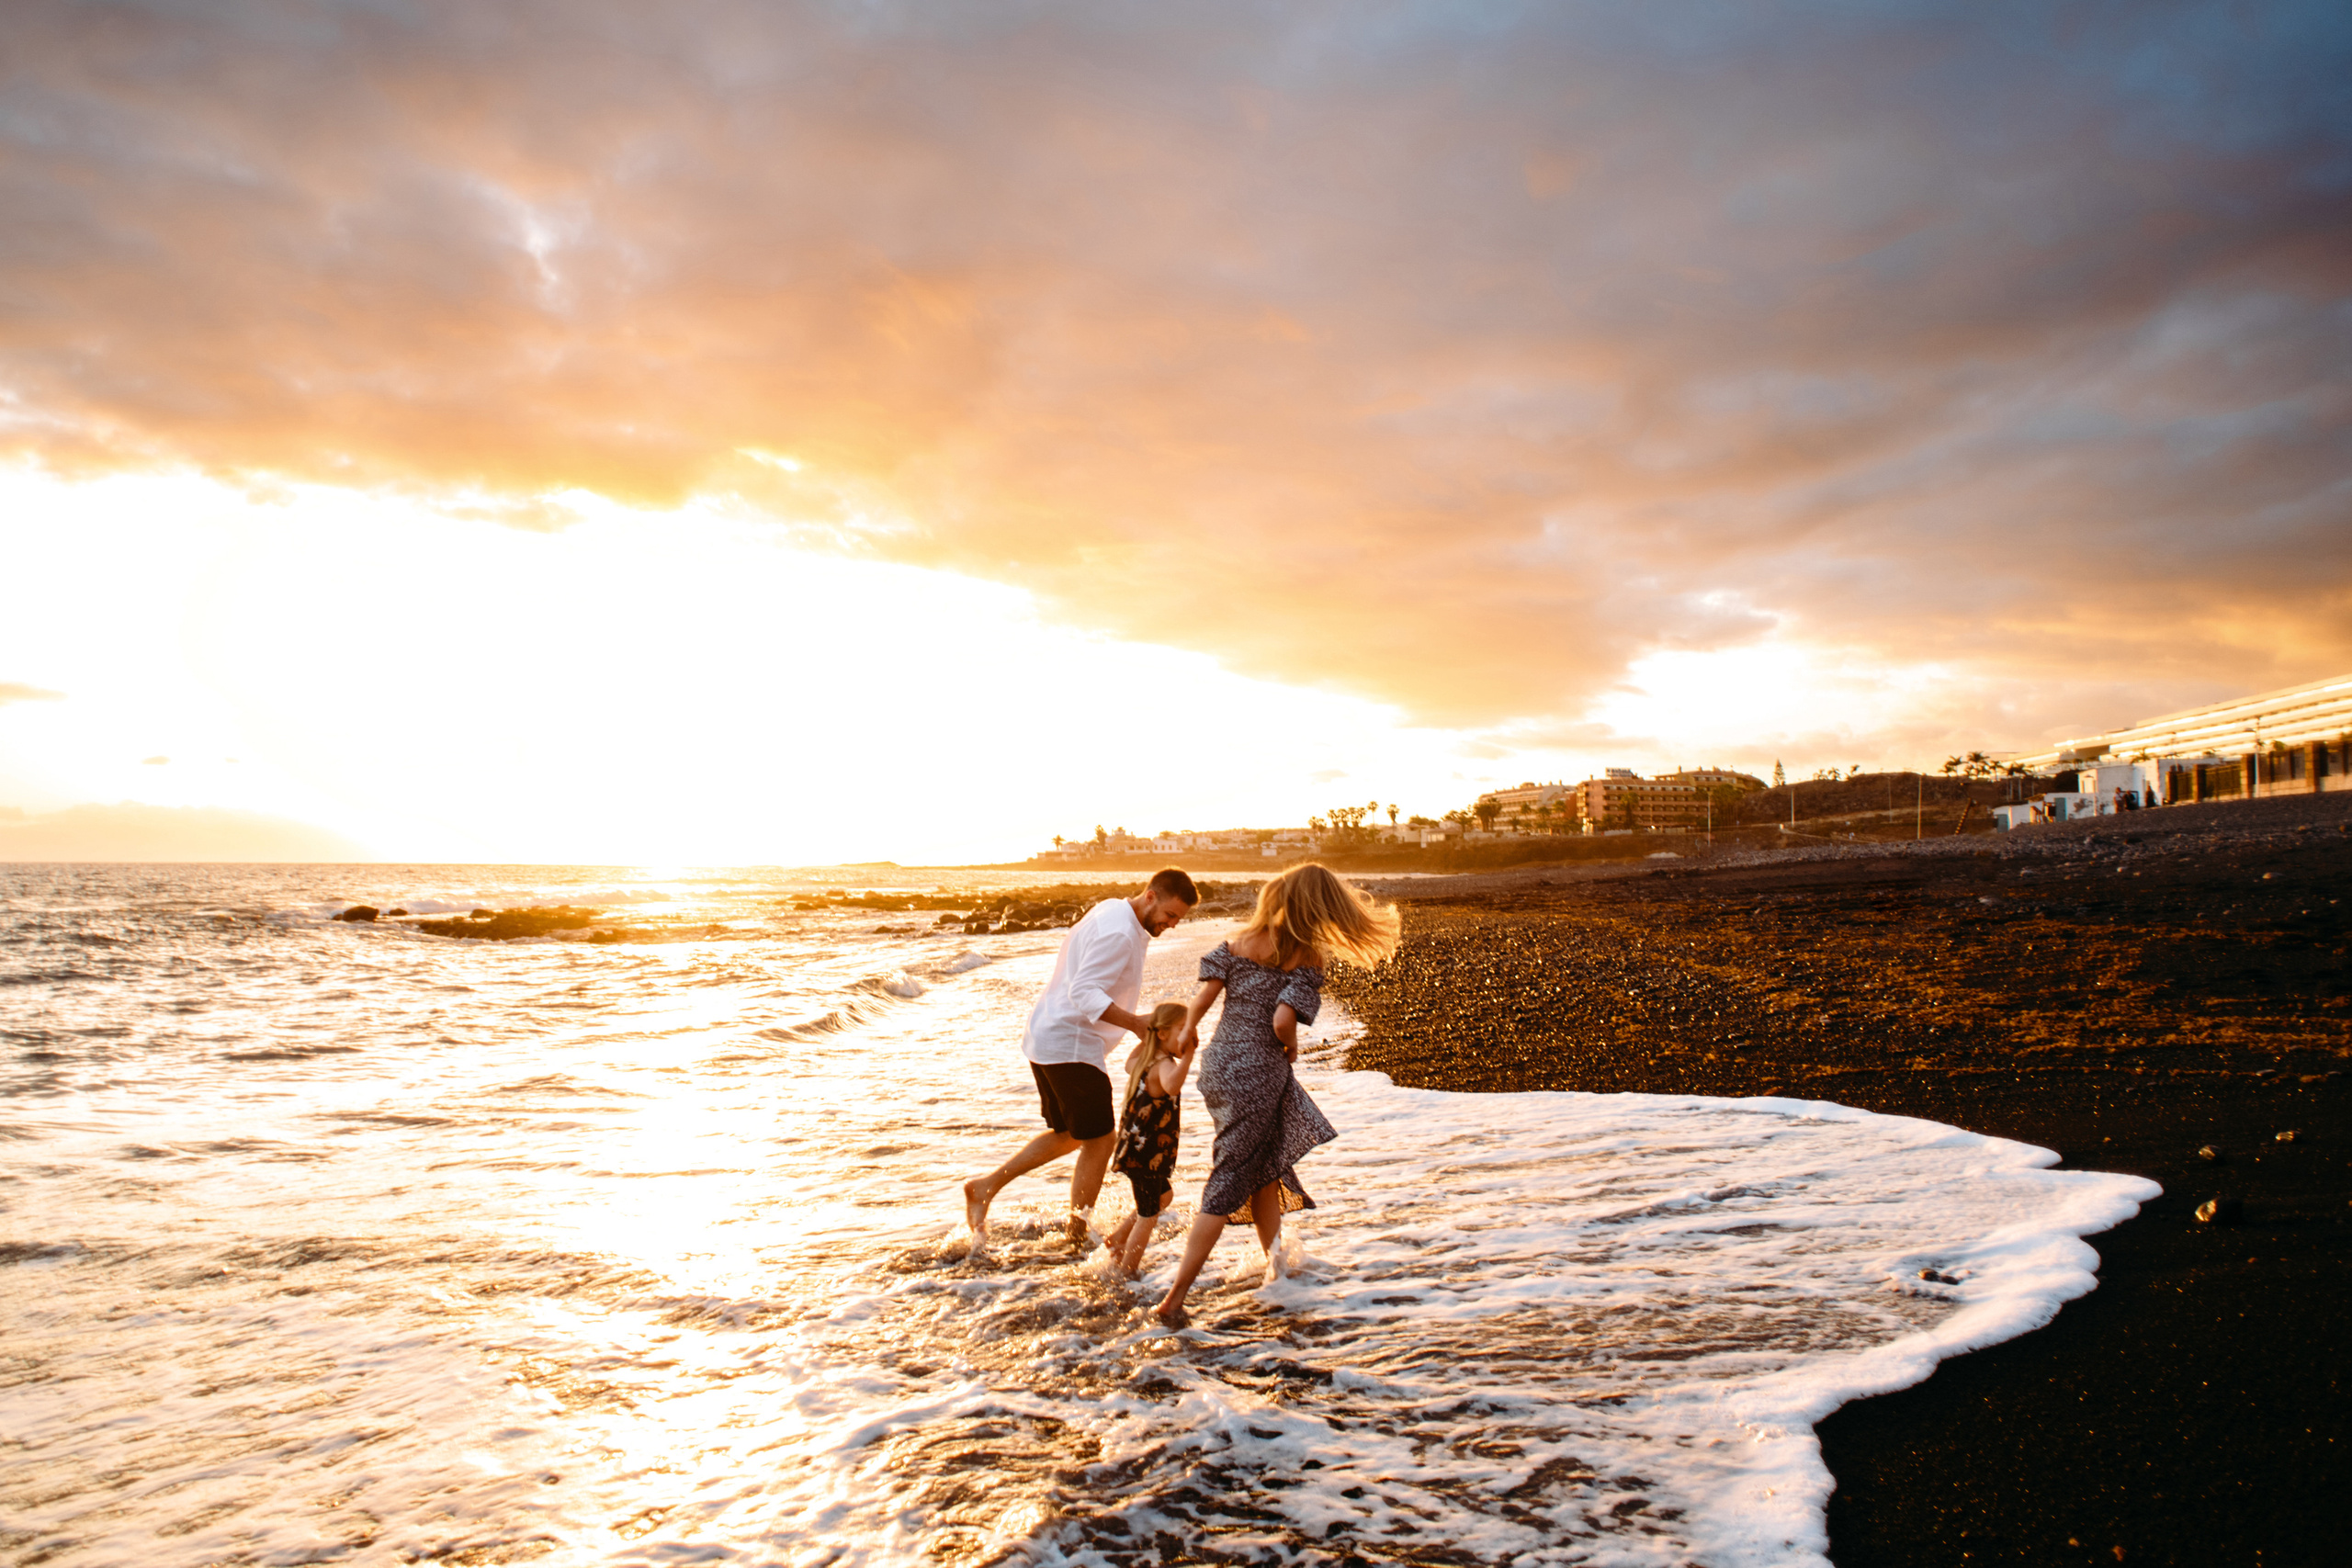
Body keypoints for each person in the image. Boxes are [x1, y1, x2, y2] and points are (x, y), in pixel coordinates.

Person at [1152, 863, 1400, 1329]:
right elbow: (1282, 1021)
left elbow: (1201, 1002)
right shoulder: (1305, 957)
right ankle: (1173, 1298)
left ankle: (1275, 1266)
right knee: (1228, 1179)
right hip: (1258, 1071)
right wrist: (1291, 1045)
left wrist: (1187, 1033)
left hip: (1219, 1066)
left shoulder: (1235, 945)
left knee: (1264, 1168)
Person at [963, 867, 1198, 1246]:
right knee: (1101, 1140)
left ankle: (985, 1187)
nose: (1171, 924)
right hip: (1070, 1042)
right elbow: (1085, 992)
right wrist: (1135, 1024)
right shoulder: (1121, 932)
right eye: (1170, 914)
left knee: (1072, 1134)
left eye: (1178, 919)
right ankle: (1077, 1234)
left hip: (1050, 1034)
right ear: (1151, 896)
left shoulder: (1113, 910)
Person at [1101, 1001, 1195, 1276]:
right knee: (1148, 1215)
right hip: (1145, 1154)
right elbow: (1172, 1085)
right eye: (1183, 1029)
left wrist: (1148, 1038)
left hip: (1135, 1150)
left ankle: (1118, 1238)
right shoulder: (1163, 1065)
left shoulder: (1144, 1061)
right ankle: (1127, 1272)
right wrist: (1188, 1057)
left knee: (1164, 1196)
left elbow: (1128, 1063)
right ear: (1162, 1034)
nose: (1189, 1035)